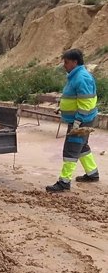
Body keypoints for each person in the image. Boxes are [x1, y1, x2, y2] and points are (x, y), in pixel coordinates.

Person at [46, 48, 99, 193]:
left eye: (66, 62)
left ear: (75, 62)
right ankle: (92, 173)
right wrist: (62, 107)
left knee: (71, 150)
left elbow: (86, 103)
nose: (64, 65)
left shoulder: (81, 77)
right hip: (82, 119)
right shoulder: (75, 76)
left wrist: (78, 121)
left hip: (82, 121)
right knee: (82, 147)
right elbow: (74, 98)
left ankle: (64, 182)